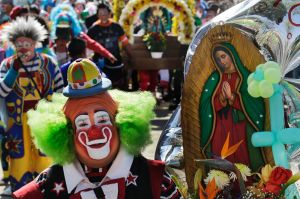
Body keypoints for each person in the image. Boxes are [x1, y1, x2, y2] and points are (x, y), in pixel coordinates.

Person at [13, 58, 183, 199]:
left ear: (120, 123)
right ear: (67, 132)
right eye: (82, 124)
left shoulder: (155, 180)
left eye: (102, 120)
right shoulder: (47, 186)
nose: (94, 132)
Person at [0, 16, 64, 191]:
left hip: (45, 121)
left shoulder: (49, 63)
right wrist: (14, 71)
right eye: (19, 44)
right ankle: (22, 190)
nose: (23, 48)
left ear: (35, 43)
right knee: (19, 159)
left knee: (45, 156)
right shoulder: (7, 65)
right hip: (17, 125)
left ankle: (47, 188)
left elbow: (60, 92)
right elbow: (2, 91)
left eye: (27, 44)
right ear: (13, 45)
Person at [199, 42, 266, 172]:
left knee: (242, 159)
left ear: (232, 55)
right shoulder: (215, 78)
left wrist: (233, 98)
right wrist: (221, 100)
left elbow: (255, 103)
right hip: (219, 127)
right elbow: (205, 105)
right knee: (220, 157)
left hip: (240, 126)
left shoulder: (245, 77)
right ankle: (221, 189)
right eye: (218, 58)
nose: (221, 61)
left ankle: (245, 188)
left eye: (223, 56)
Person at [87, 2, 132, 90]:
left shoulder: (116, 27)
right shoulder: (93, 29)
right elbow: (88, 47)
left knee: (120, 88)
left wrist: (132, 57)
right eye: (100, 14)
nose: (103, 16)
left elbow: (126, 44)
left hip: (116, 63)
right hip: (100, 65)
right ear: (97, 15)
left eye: (105, 14)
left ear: (110, 14)